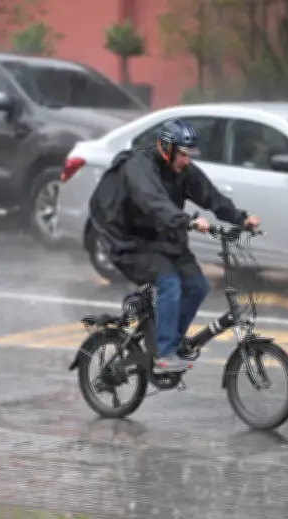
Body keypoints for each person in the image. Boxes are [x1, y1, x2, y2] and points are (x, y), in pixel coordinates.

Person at [88, 118, 260, 374]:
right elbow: (153, 200)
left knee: (198, 286)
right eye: (182, 154)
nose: (187, 160)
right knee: (170, 283)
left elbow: (209, 195)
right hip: (129, 241)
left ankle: (168, 340)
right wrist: (186, 221)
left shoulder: (182, 169)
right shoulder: (139, 167)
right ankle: (164, 355)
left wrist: (241, 218)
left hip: (162, 238)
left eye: (190, 155)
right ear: (166, 147)